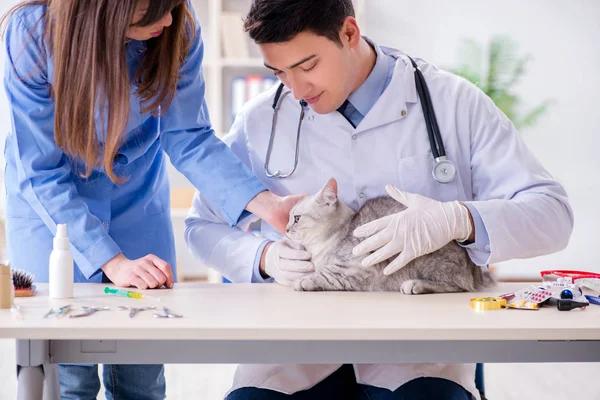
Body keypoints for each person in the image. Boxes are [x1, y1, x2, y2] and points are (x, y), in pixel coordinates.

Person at [185, 0, 574, 399]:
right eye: (279, 72)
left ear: (349, 33)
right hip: (295, 347)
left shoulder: (452, 102)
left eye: (306, 66)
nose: (296, 90)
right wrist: (263, 258)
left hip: (420, 349)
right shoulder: (262, 118)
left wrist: (461, 219)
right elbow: (201, 225)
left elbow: (553, 214)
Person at [1, 0, 302, 399]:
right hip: (52, 217)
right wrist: (112, 261)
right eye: (153, 10)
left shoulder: (176, 25)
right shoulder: (32, 36)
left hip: (134, 200)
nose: (168, 19)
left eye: (173, 5)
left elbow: (189, 137)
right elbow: (39, 170)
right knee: (71, 376)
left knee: (141, 373)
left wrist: (269, 205)